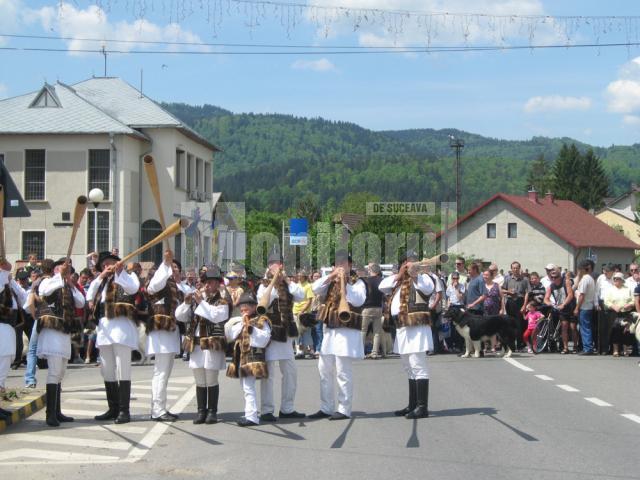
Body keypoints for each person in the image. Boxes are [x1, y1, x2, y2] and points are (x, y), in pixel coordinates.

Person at [309, 250, 366, 420]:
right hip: (329, 329)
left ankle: (344, 408)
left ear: (350, 265)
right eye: (337, 264)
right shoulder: (329, 280)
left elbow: (358, 300)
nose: (340, 267)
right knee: (324, 369)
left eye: (343, 264)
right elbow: (314, 288)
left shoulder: (357, 282)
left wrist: (344, 283)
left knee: (343, 370)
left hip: (346, 331)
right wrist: (331, 276)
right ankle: (326, 407)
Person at [86, 251, 141, 424]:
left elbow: (133, 288)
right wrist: (101, 276)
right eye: (103, 265)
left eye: (108, 263)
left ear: (118, 262)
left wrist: (119, 272)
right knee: (107, 370)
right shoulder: (102, 281)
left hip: (122, 327)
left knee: (123, 368)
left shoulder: (128, 276)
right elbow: (89, 296)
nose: (106, 267)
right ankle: (113, 408)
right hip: (104, 329)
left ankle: (124, 410)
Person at [379, 253, 435, 419]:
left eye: (412, 263)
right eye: (407, 264)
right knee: (409, 367)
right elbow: (382, 286)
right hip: (402, 327)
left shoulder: (423, 278)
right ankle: (412, 405)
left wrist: (415, 273)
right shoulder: (398, 282)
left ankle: (422, 407)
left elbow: (428, 288)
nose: (410, 266)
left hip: (416, 327)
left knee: (418, 366)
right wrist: (399, 273)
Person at [176, 265, 229, 424]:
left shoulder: (222, 301)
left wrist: (201, 302)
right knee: (199, 379)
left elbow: (216, 316)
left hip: (212, 343)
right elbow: (179, 316)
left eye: (211, 282)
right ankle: (201, 411)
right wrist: (186, 303)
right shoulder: (197, 299)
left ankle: (212, 411)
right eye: (206, 282)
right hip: (196, 343)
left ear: (218, 284)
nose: (207, 285)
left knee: (211, 379)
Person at [35, 259, 85, 427]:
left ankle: (57, 411)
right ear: (56, 269)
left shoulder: (68, 286)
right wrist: (59, 277)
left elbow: (81, 302)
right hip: (51, 331)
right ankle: (50, 414)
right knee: (54, 371)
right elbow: (44, 291)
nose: (66, 272)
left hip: (64, 332)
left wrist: (70, 283)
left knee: (61, 372)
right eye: (64, 269)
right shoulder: (48, 281)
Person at [256, 252, 306, 421]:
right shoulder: (263, 285)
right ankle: (267, 410)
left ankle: (287, 408)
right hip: (270, 333)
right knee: (269, 374)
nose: (277, 267)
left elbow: (301, 295)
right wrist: (274, 282)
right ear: (268, 267)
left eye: (279, 264)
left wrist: (287, 280)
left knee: (290, 372)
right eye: (274, 264)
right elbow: (263, 301)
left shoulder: (287, 283)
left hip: (286, 333)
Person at [145, 250, 192, 422]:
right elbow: (154, 285)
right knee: (160, 372)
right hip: (160, 330)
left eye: (177, 269)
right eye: (172, 268)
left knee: (165, 372)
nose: (175, 271)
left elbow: (185, 302)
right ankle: (157, 409)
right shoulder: (157, 282)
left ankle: (161, 407)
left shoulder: (176, 287)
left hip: (172, 331)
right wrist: (165, 263)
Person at [226, 292, 271, 427]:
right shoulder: (239, 321)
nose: (243, 309)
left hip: (253, 357)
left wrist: (252, 329)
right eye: (242, 306)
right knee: (245, 387)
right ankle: (249, 413)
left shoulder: (262, 320)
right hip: (241, 358)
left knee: (248, 387)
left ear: (254, 307)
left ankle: (252, 417)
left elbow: (265, 339)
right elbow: (231, 335)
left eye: (247, 306)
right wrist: (242, 324)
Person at [0, 260, 28, 421]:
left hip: (9, 328)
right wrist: (4, 274)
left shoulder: (7, 283)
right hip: (1, 327)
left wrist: (12, 281)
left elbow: (24, 300)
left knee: (3, 369)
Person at [544, 270, 577, 354]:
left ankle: (575, 346)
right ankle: (565, 348)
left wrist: (564, 304)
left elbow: (570, 295)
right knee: (564, 327)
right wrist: (549, 303)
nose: (554, 279)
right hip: (562, 310)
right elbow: (546, 298)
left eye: (556, 277)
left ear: (560, 276)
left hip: (571, 307)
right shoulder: (551, 286)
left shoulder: (566, 282)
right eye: (552, 277)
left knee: (573, 328)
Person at [603, 272, 634, 357]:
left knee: (626, 332)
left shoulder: (628, 289)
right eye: (615, 279)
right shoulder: (610, 289)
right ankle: (615, 350)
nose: (616, 280)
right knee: (615, 331)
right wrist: (613, 306)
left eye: (618, 279)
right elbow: (606, 301)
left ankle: (625, 350)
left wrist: (630, 304)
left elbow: (633, 300)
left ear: (622, 280)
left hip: (626, 313)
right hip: (614, 313)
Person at [360, 263, 384, 359]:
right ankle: (374, 352)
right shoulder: (382, 280)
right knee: (377, 332)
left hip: (367, 307)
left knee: (363, 331)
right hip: (378, 307)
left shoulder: (365, 281)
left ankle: (361, 352)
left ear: (370, 271)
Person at [573, 259, 596, 355]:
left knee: (585, 328)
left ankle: (588, 348)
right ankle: (588, 347)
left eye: (580, 268)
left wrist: (577, 308)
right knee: (586, 327)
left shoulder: (585, 279)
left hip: (584, 307)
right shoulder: (590, 278)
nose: (579, 270)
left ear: (583, 269)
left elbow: (582, 295)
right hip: (589, 306)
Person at [293, 270, 315, 359]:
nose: (299, 277)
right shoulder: (296, 286)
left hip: (305, 313)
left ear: (305, 276)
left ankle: (309, 351)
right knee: (296, 333)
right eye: (298, 275)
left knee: (306, 333)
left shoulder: (308, 286)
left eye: (301, 276)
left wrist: (302, 311)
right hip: (295, 311)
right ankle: (299, 351)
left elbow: (309, 300)